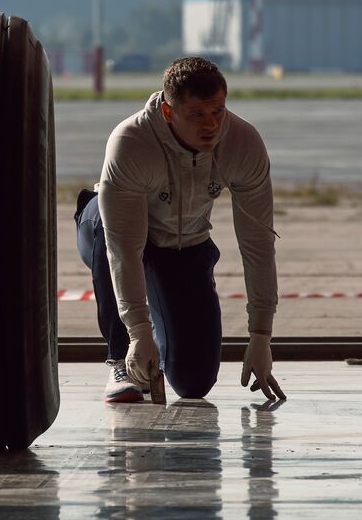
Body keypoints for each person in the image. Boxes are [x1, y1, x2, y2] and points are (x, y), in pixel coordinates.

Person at [76, 56, 284, 403]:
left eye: (218, 111)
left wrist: (261, 336)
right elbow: (123, 249)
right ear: (169, 112)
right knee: (106, 227)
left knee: (194, 383)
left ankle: (158, 336)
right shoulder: (131, 141)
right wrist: (138, 331)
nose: (211, 125)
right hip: (115, 232)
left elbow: (258, 245)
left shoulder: (243, 143)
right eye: (197, 114)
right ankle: (121, 361)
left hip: (183, 244)